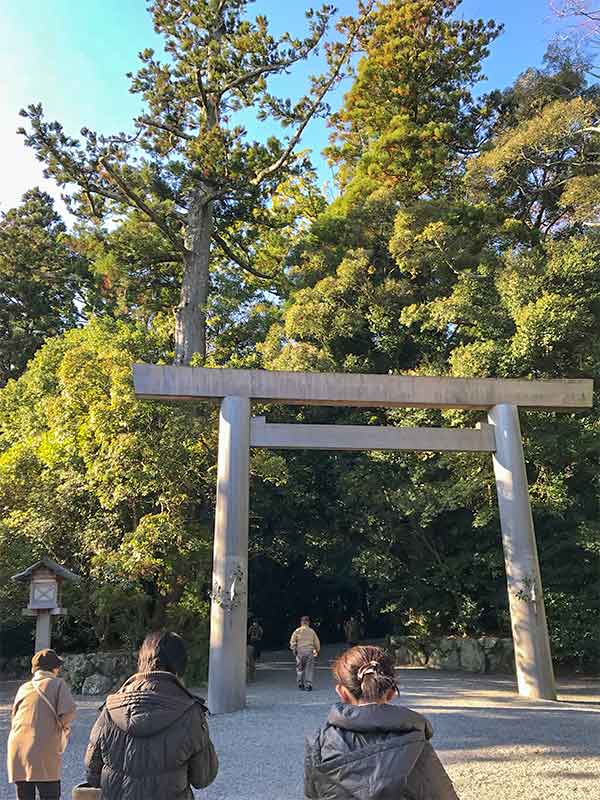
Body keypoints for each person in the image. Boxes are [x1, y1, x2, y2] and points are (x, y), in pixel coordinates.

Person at [304, 644, 459, 799]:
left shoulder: (320, 743)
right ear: (391, 693)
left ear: (342, 693)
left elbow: (313, 795)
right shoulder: (416, 742)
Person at [85, 631, 218, 800]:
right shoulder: (190, 713)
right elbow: (203, 778)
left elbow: (92, 774)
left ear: (142, 661)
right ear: (180, 666)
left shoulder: (110, 709)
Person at [7, 648, 77, 800]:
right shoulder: (57, 684)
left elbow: (14, 717)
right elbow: (69, 712)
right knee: (50, 794)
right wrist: (60, 728)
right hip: (43, 749)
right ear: (54, 668)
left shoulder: (23, 688)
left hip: (17, 749)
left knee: (25, 795)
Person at [290, 615, 320, 692]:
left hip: (300, 652)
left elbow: (292, 641)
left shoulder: (297, 631)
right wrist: (317, 650)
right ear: (308, 622)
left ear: (301, 622)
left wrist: (294, 649)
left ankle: (300, 683)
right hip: (309, 652)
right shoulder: (312, 631)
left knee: (300, 668)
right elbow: (317, 642)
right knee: (309, 669)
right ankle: (308, 684)